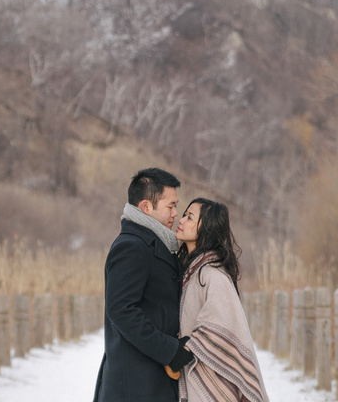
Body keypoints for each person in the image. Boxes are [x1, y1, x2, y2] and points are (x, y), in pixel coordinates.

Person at [93, 167, 194, 402]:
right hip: (134, 385)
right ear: (146, 207)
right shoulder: (131, 246)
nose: (176, 213)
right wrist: (170, 351)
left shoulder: (157, 243)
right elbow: (121, 310)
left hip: (151, 380)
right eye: (170, 206)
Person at [175, 198, 269, 402]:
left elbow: (221, 322)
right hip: (192, 371)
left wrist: (182, 351)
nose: (181, 220)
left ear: (206, 228)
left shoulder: (212, 273)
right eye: (184, 214)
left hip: (212, 373)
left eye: (190, 217)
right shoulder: (190, 270)